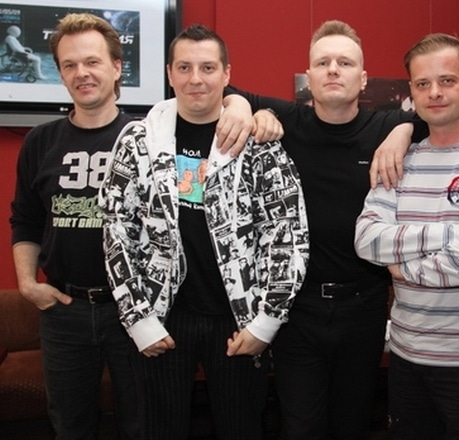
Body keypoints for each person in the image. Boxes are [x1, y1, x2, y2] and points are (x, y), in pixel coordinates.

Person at [99, 24, 309, 440]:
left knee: (241, 429)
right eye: (185, 67)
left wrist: (266, 321)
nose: (196, 78)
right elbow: (116, 232)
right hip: (163, 317)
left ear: (227, 73)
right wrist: (138, 318)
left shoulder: (258, 142)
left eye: (208, 67)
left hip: (238, 320)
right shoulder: (137, 140)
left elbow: (288, 234)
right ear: (169, 73)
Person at [228, 20, 419, 439]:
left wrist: (404, 130)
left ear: (362, 78)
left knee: (353, 424)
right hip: (297, 309)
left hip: (364, 307)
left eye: (345, 63)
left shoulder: (384, 128)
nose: (333, 69)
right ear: (308, 77)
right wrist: (241, 107)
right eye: (323, 62)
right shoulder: (286, 120)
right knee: (301, 427)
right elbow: (228, 91)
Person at [354, 33, 459, 439]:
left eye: (447, 80)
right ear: (411, 91)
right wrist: (457, 233)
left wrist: (405, 269)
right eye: (423, 83)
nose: (434, 92)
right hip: (407, 360)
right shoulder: (398, 159)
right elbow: (367, 239)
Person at [9, 12, 138, 439]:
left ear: (116, 67)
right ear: (60, 73)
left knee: (145, 423)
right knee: (70, 426)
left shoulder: (146, 138)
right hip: (64, 312)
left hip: (135, 310)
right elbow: (26, 219)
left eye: (92, 61)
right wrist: (27, 283)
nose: (81, 73)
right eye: (69, 65)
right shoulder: (40, 141)